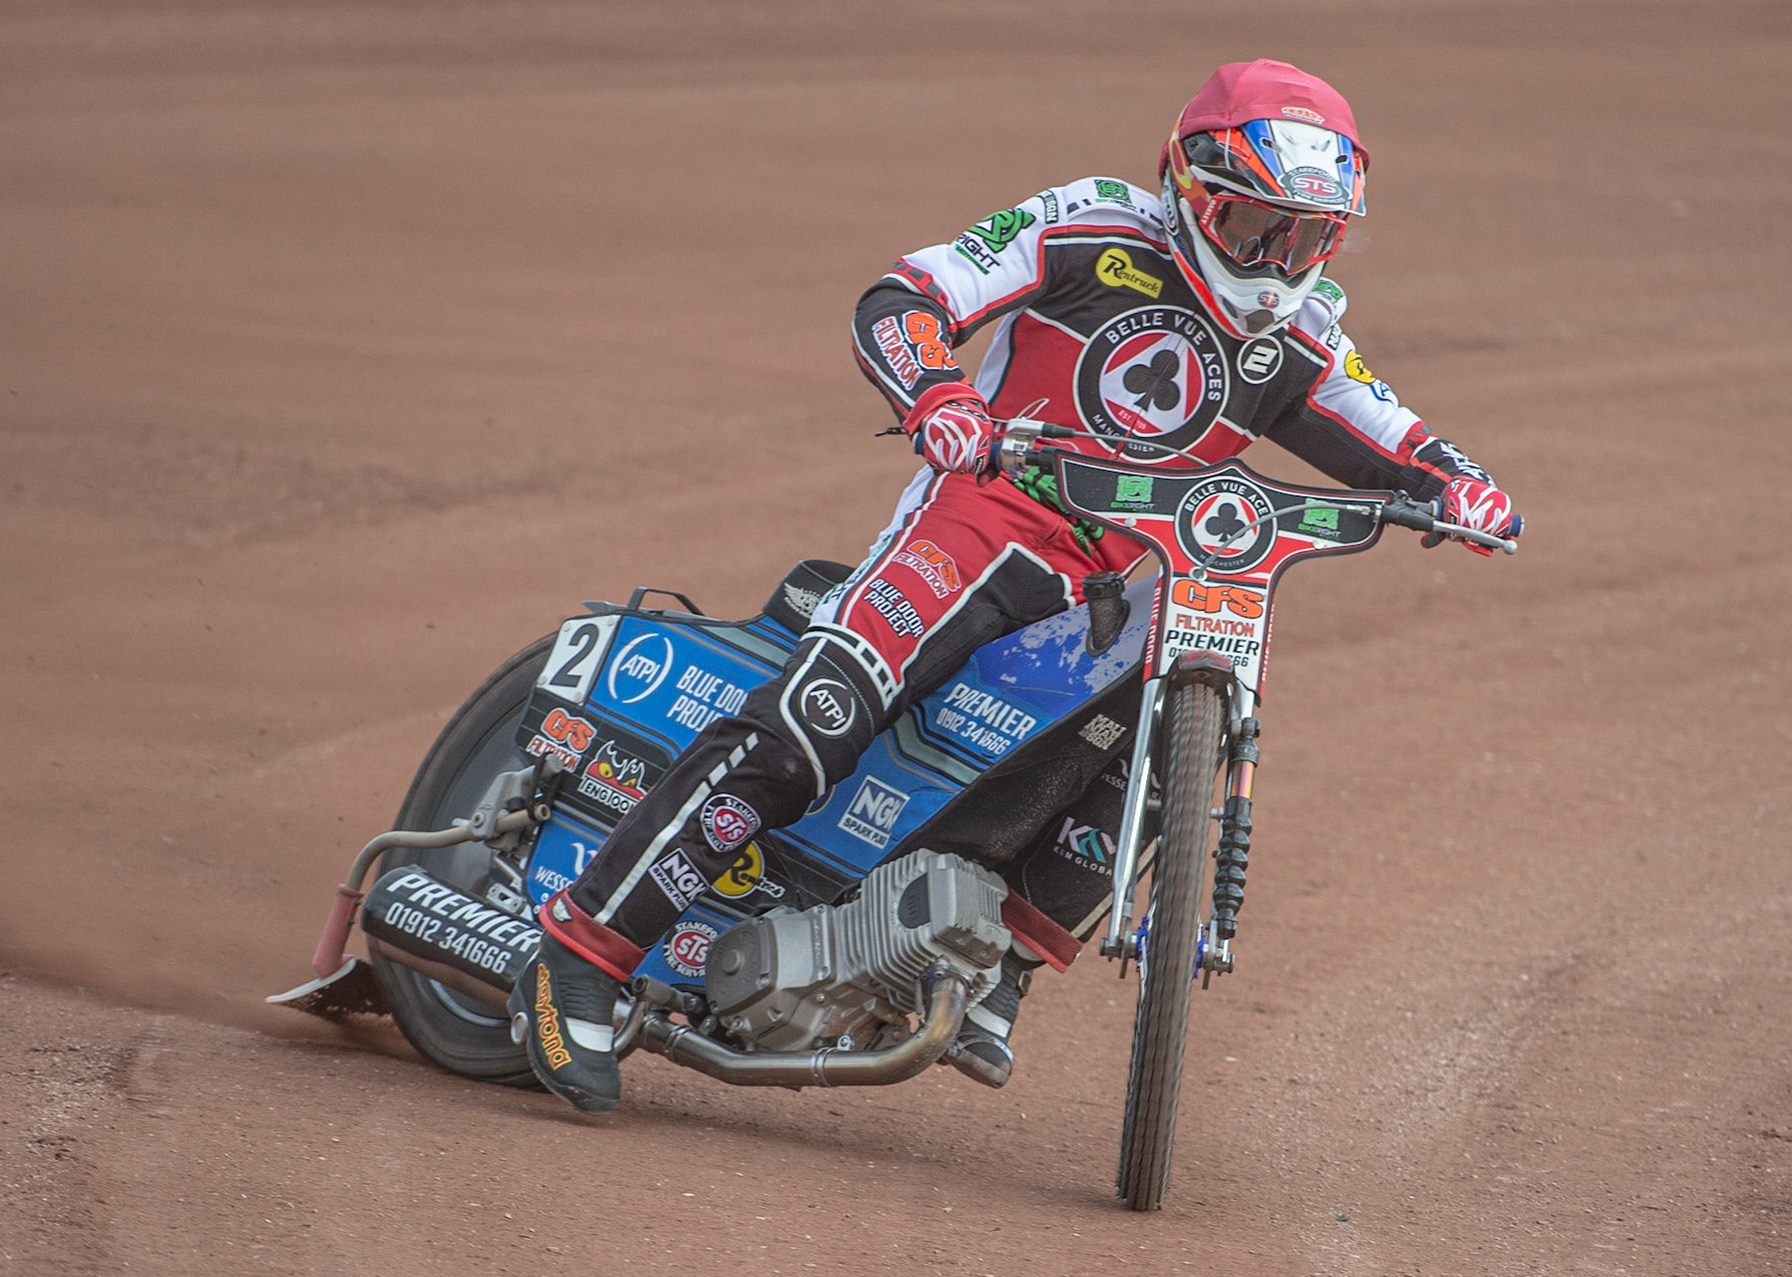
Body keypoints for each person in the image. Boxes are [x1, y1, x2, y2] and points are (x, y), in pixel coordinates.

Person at [505, 59, 1523, 1113]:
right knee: (818, 721)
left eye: (1305, 236)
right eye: (1254, 225)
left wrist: (1466, 487)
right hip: (980, 517)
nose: (1276, 260)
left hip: (1128, 578)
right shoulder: (1092, 222)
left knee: (1186, 716)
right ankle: (583, 945)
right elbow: (908, 296)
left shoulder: (1302, 335)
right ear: (1187, 182)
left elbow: (1392, 431)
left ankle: (1003, 962)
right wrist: (937, 391)